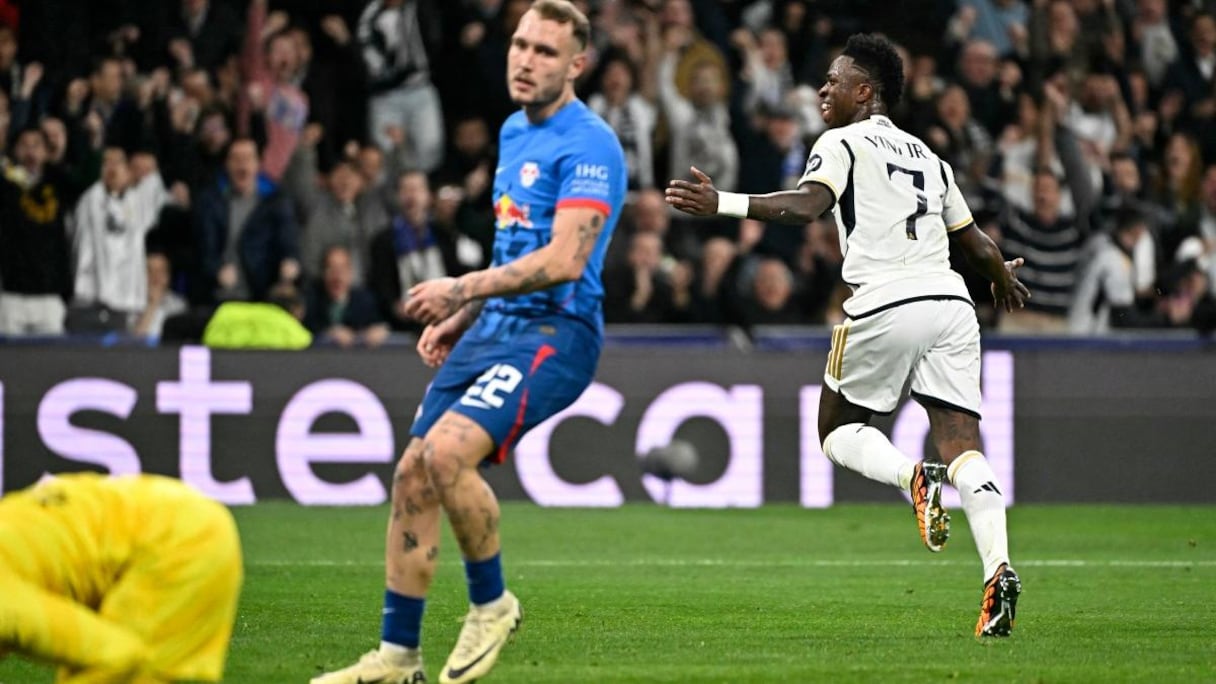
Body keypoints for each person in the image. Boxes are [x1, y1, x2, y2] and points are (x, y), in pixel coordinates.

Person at [665, 33, 1028, 638]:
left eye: (834, 80)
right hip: (951, 304)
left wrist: (721, 202)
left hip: (886, 300)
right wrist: (1002, 279)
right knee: (964, 447)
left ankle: (913, 478)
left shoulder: (842, 142)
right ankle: (999, 569)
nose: (822, 89)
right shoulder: (930, 157)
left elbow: (808, 206)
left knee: (835, 432)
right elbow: (977, 243)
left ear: (866, 92)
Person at [312, 2, 626, 683]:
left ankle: (492, 603)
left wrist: (459, 288)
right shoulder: (513, 131)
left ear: (577, 64)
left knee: (448, 452)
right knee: (413, 473)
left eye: (545, 51)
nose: (525, 60)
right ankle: (398, 658)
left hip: (556, 331)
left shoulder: (591, 144)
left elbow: (565, 259)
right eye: (520, 45)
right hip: (494, 326)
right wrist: (469, 312)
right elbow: (515, 244)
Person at [0, 472, 243, 682]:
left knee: (129, 670)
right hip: (158, 506)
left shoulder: (7, 606)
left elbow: (119, 655)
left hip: (180, 540)